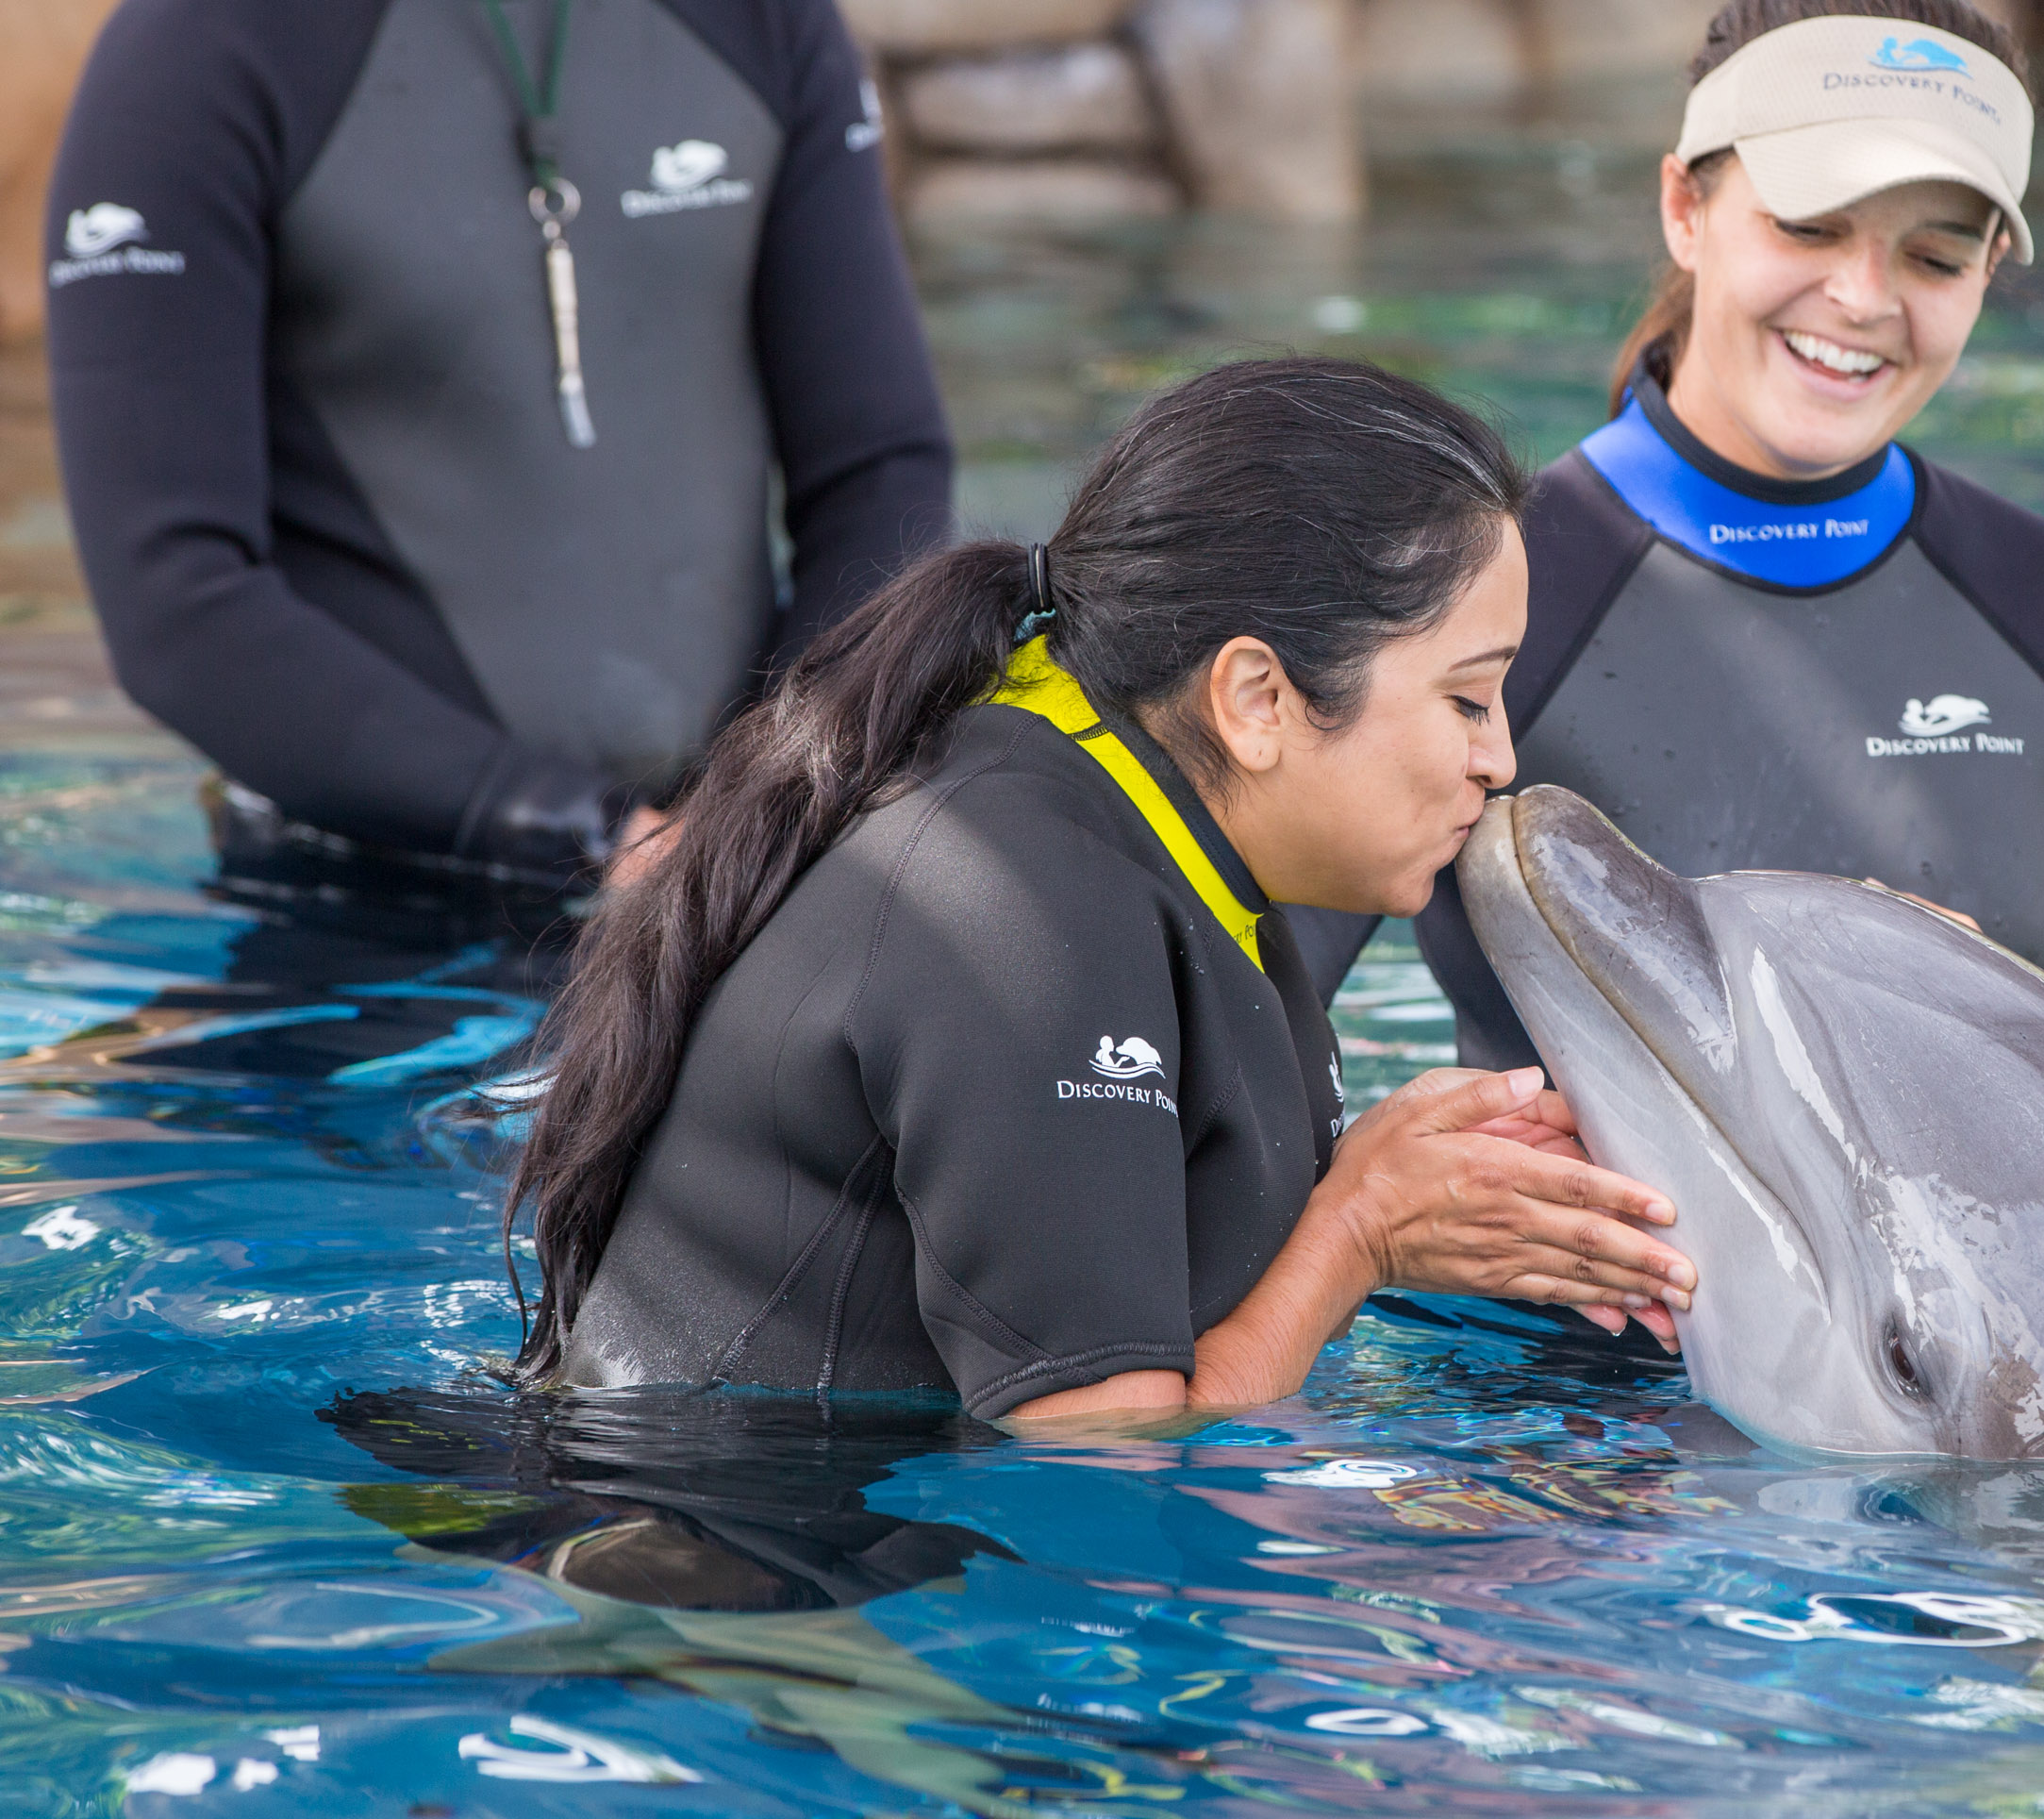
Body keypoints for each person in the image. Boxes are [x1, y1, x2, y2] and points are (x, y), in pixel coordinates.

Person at [508, 359, 1694, 1425]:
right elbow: (1103, 1454)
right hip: (737, 1598)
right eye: (1465, 700)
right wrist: (1363, 1230)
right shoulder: (1024, 921)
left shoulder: (1134, 815)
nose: (1500, 762)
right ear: (1258, 701)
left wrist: (1428, 1197)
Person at [1332, 0, 2044, 1142]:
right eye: (1809, 226)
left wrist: (1996, 1033)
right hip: (1557, 1331)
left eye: (1936, 256)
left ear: (1989, 271)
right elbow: (1227, 1023)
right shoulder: (1471, 600)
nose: (1862, 297)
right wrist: (1414, 1173)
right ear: (1685, 212)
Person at [43, 0, 950, 893]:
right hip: (360, 920)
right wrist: (580, 836)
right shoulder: (199, 52)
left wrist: (773, 800)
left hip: (739, 873)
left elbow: (881, 463)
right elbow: (179, 601)